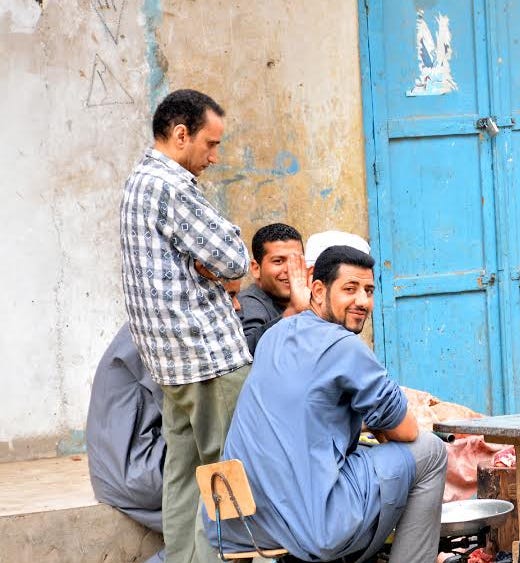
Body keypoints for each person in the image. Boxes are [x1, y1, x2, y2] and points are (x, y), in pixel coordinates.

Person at [208, 245, 447, 563]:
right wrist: (377, 420)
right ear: (317, 291)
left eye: (368, 290)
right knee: (430, 451)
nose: (362, 301)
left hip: (239, 520)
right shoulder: (345, 346)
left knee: (349, 454)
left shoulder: (274, 335)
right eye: (350, 289)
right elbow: (405, 431)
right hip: (309, 526)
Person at [119, 88, 252, 563]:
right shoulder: (173, 187)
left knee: (183, 470)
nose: (214, 157)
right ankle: (225, 556)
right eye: (211, 144)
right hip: (208, 355)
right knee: (227, 468)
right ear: (181, 135)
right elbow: (236, 259)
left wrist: (206, 264)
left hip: (168, 360)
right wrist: (215, 265)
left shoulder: (138, 180)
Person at [86, 279, 243, 563]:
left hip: (125, 463)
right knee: (221, 473)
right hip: (132, 469)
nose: (237, 306)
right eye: (229, 296)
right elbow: (200, 418)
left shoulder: (154, 321)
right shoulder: (170, 334)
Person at [238, 222, 308, 354]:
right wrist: (294, 311)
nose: (289, 269)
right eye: (278, 261)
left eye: (295, 261)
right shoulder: (249, 303)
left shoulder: (307, 301)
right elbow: (247, 351)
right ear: (256, 268)